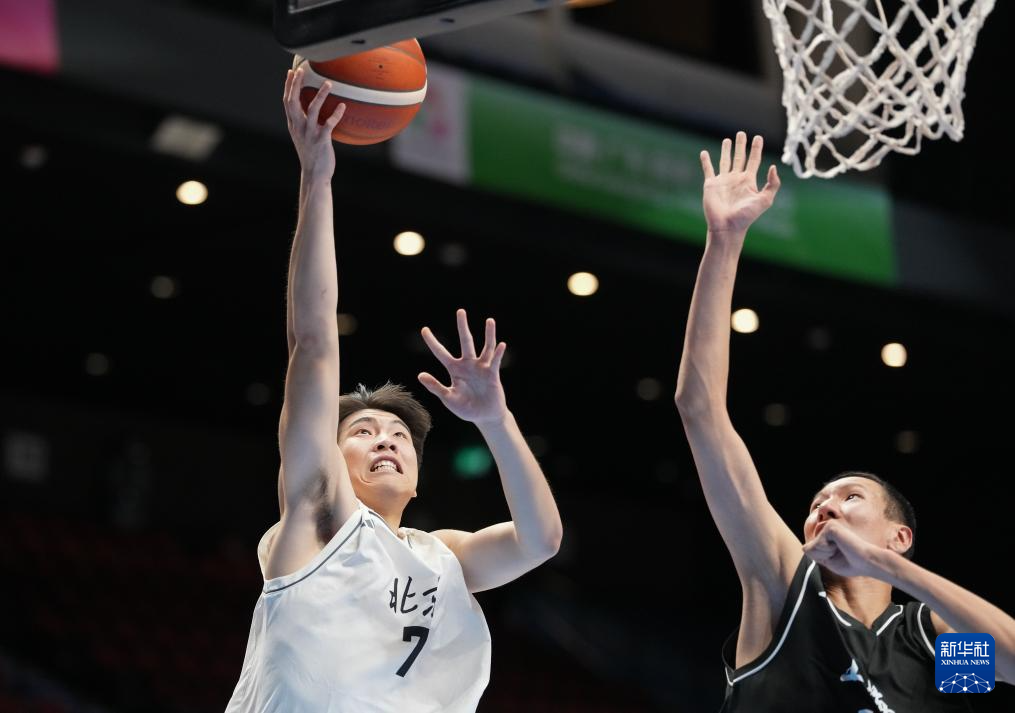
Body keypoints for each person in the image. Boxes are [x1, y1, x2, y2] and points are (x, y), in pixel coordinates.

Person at [226, 67, 563, 713]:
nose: (385, 440)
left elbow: (541, 539)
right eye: (362, 431)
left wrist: (496, 419)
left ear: (417, 478)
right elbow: (313, 344)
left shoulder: (444, 557)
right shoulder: (319, 517)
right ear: (327, 456)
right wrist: (317, 177)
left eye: (399, 434)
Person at [673, 131, 1014, 712]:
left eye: (850, 497)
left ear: (899, 538)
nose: (823, 508)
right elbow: (699, 410)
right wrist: (724, 241)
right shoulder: (783, 585)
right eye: (817, 503)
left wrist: (884, 568)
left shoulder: (930, 644)